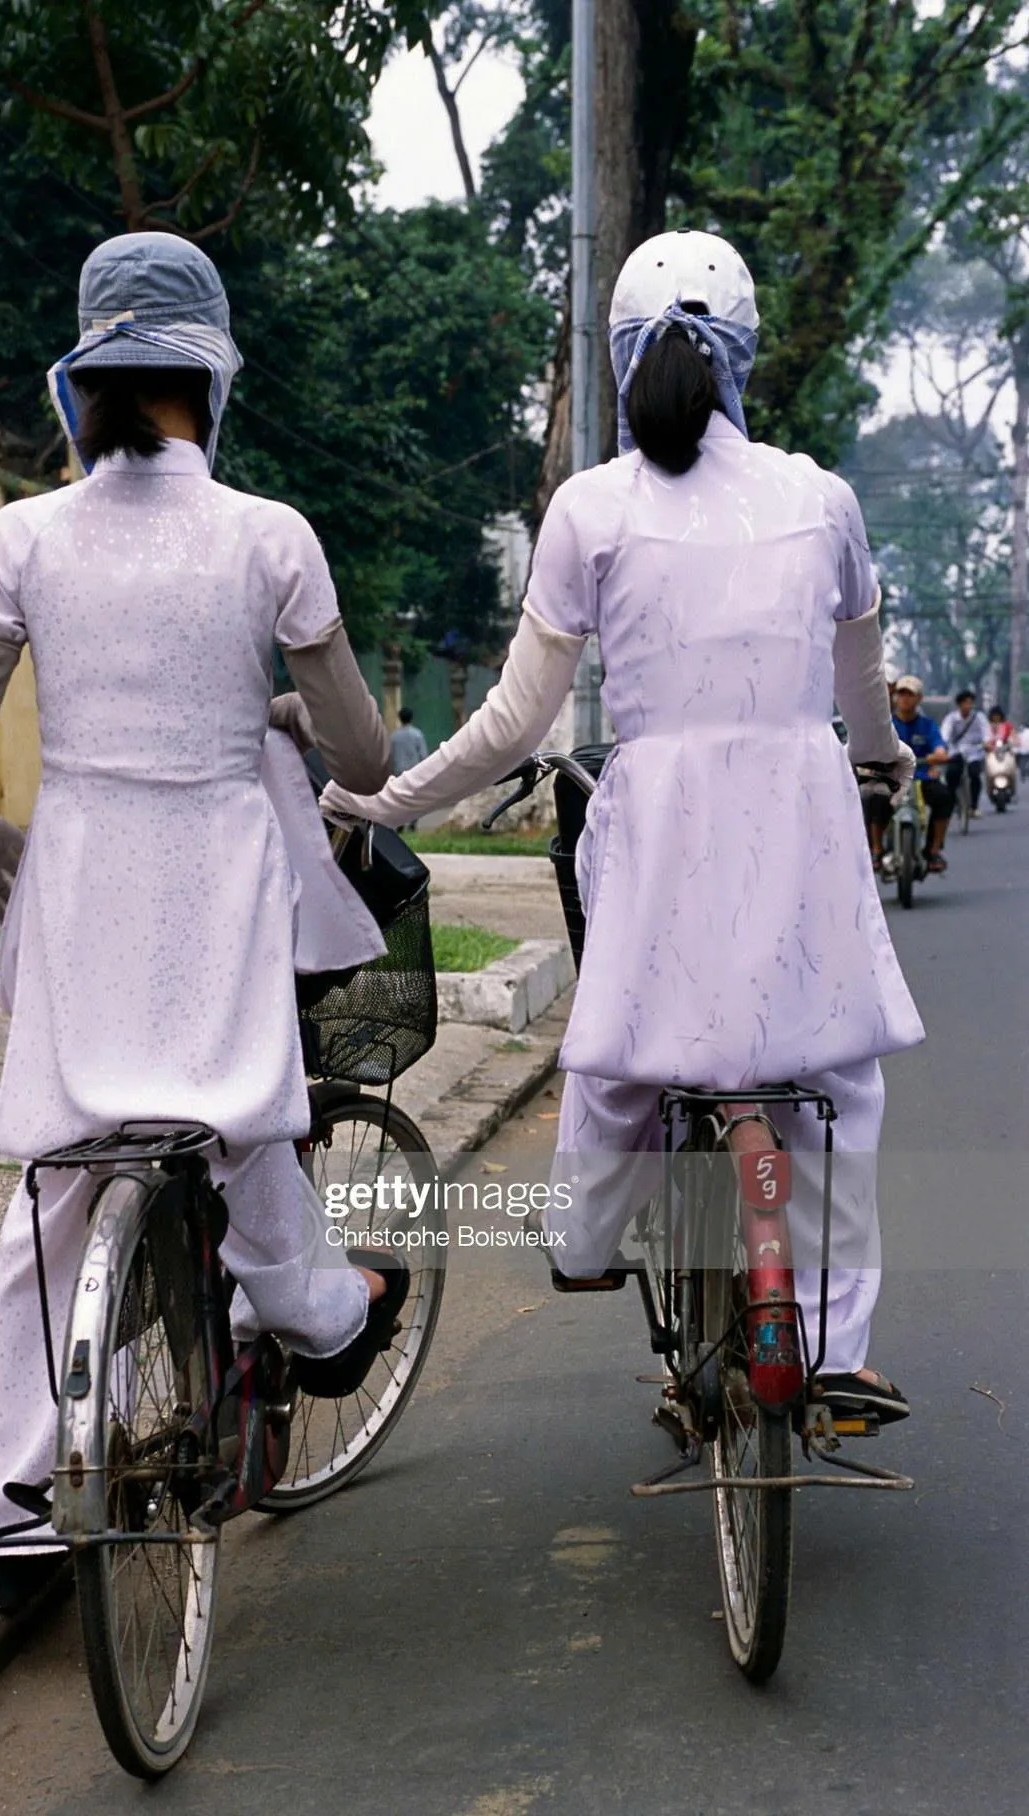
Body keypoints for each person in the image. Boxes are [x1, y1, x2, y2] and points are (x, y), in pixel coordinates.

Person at [321, 228, 923, 1425]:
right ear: (745, 354)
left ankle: (588, 1237)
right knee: (841, 1084)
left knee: (621, 1055)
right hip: (801, 829)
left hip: (660, 841)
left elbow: (509, 722)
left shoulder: (592, 509)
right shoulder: (823, 499)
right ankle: (839, 1349)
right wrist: (887, 761)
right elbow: (864, 702)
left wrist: (390, 798)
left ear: (619, 356)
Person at [0, 233, 407, 1613]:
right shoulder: (268, 539)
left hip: (78, 891)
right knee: (249, 1120)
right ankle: (315, 1315)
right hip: (218, 893)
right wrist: (297, 711)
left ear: (86, 382)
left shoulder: (23, 538)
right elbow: (364, 761)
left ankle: (3, 1518)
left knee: (59, 1193)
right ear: (211, 374)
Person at [873, 677, 952, 873]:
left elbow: (939, 746)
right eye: (901, 694)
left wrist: (939, 755)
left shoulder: (928, 725)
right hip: (891, 777)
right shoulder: (885, 725)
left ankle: (933, 850)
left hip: (921, 777)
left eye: (910, 694)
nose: (905, 699)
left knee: (945, 798)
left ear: (919, 698)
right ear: (895, 697)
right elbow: (872, 747)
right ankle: (876, 850)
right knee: (872, 799)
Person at [940, 688, 991, 818]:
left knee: (975, 775)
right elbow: (944, 735)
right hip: (956, 751)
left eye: (970, 703)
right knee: (951, 775)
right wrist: (943, 747)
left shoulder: (979, 717)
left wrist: (987, 742)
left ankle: (974, 806)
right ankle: (952, 803)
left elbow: (986, 733)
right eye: (965, 703)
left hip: (975, 751)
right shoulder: (951, 718)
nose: (968, 706)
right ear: (959, 704)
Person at [390, 706, 430, 830]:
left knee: (399, 798)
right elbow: (423, 755)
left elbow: (390, 755)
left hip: (398, 772)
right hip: (414, 771)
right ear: (411, 718)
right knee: (414, 798)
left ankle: (400, 822)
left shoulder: (394, 736)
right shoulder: (417, 734)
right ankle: (413, 822)